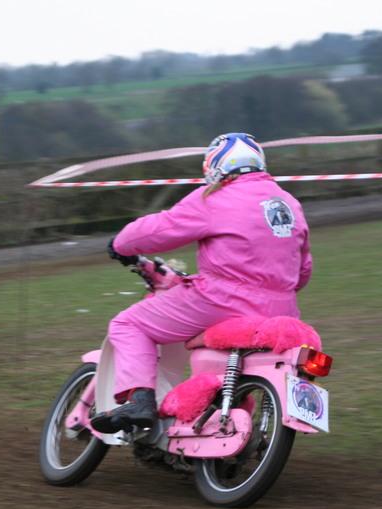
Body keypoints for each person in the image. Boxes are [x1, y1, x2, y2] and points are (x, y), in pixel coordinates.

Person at [91, 132, 313, 434]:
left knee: (128, 324)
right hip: (282, 309)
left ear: (215, 165)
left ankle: (139, 399)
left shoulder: (215, 197)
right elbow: (303, 270)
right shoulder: (288, 202)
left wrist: (121, 243)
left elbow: (160, 229)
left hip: (219, 301)